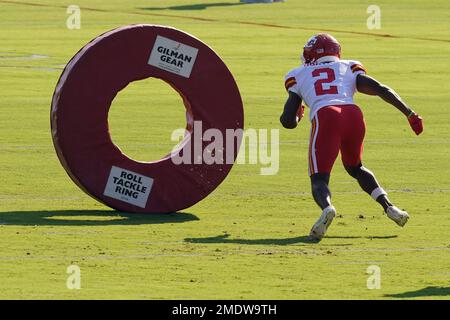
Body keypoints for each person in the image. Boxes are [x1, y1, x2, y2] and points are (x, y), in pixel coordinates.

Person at [280, 34, 423, 241]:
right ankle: (390, 207)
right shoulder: (348, 66)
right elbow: (380, 89)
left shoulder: (298, 74)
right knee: (356, 167)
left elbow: (287, 121)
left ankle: (327, 208)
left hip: (326, 115)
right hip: (354, 115)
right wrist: (410, 114)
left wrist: (297, 115)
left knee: (319, 178)